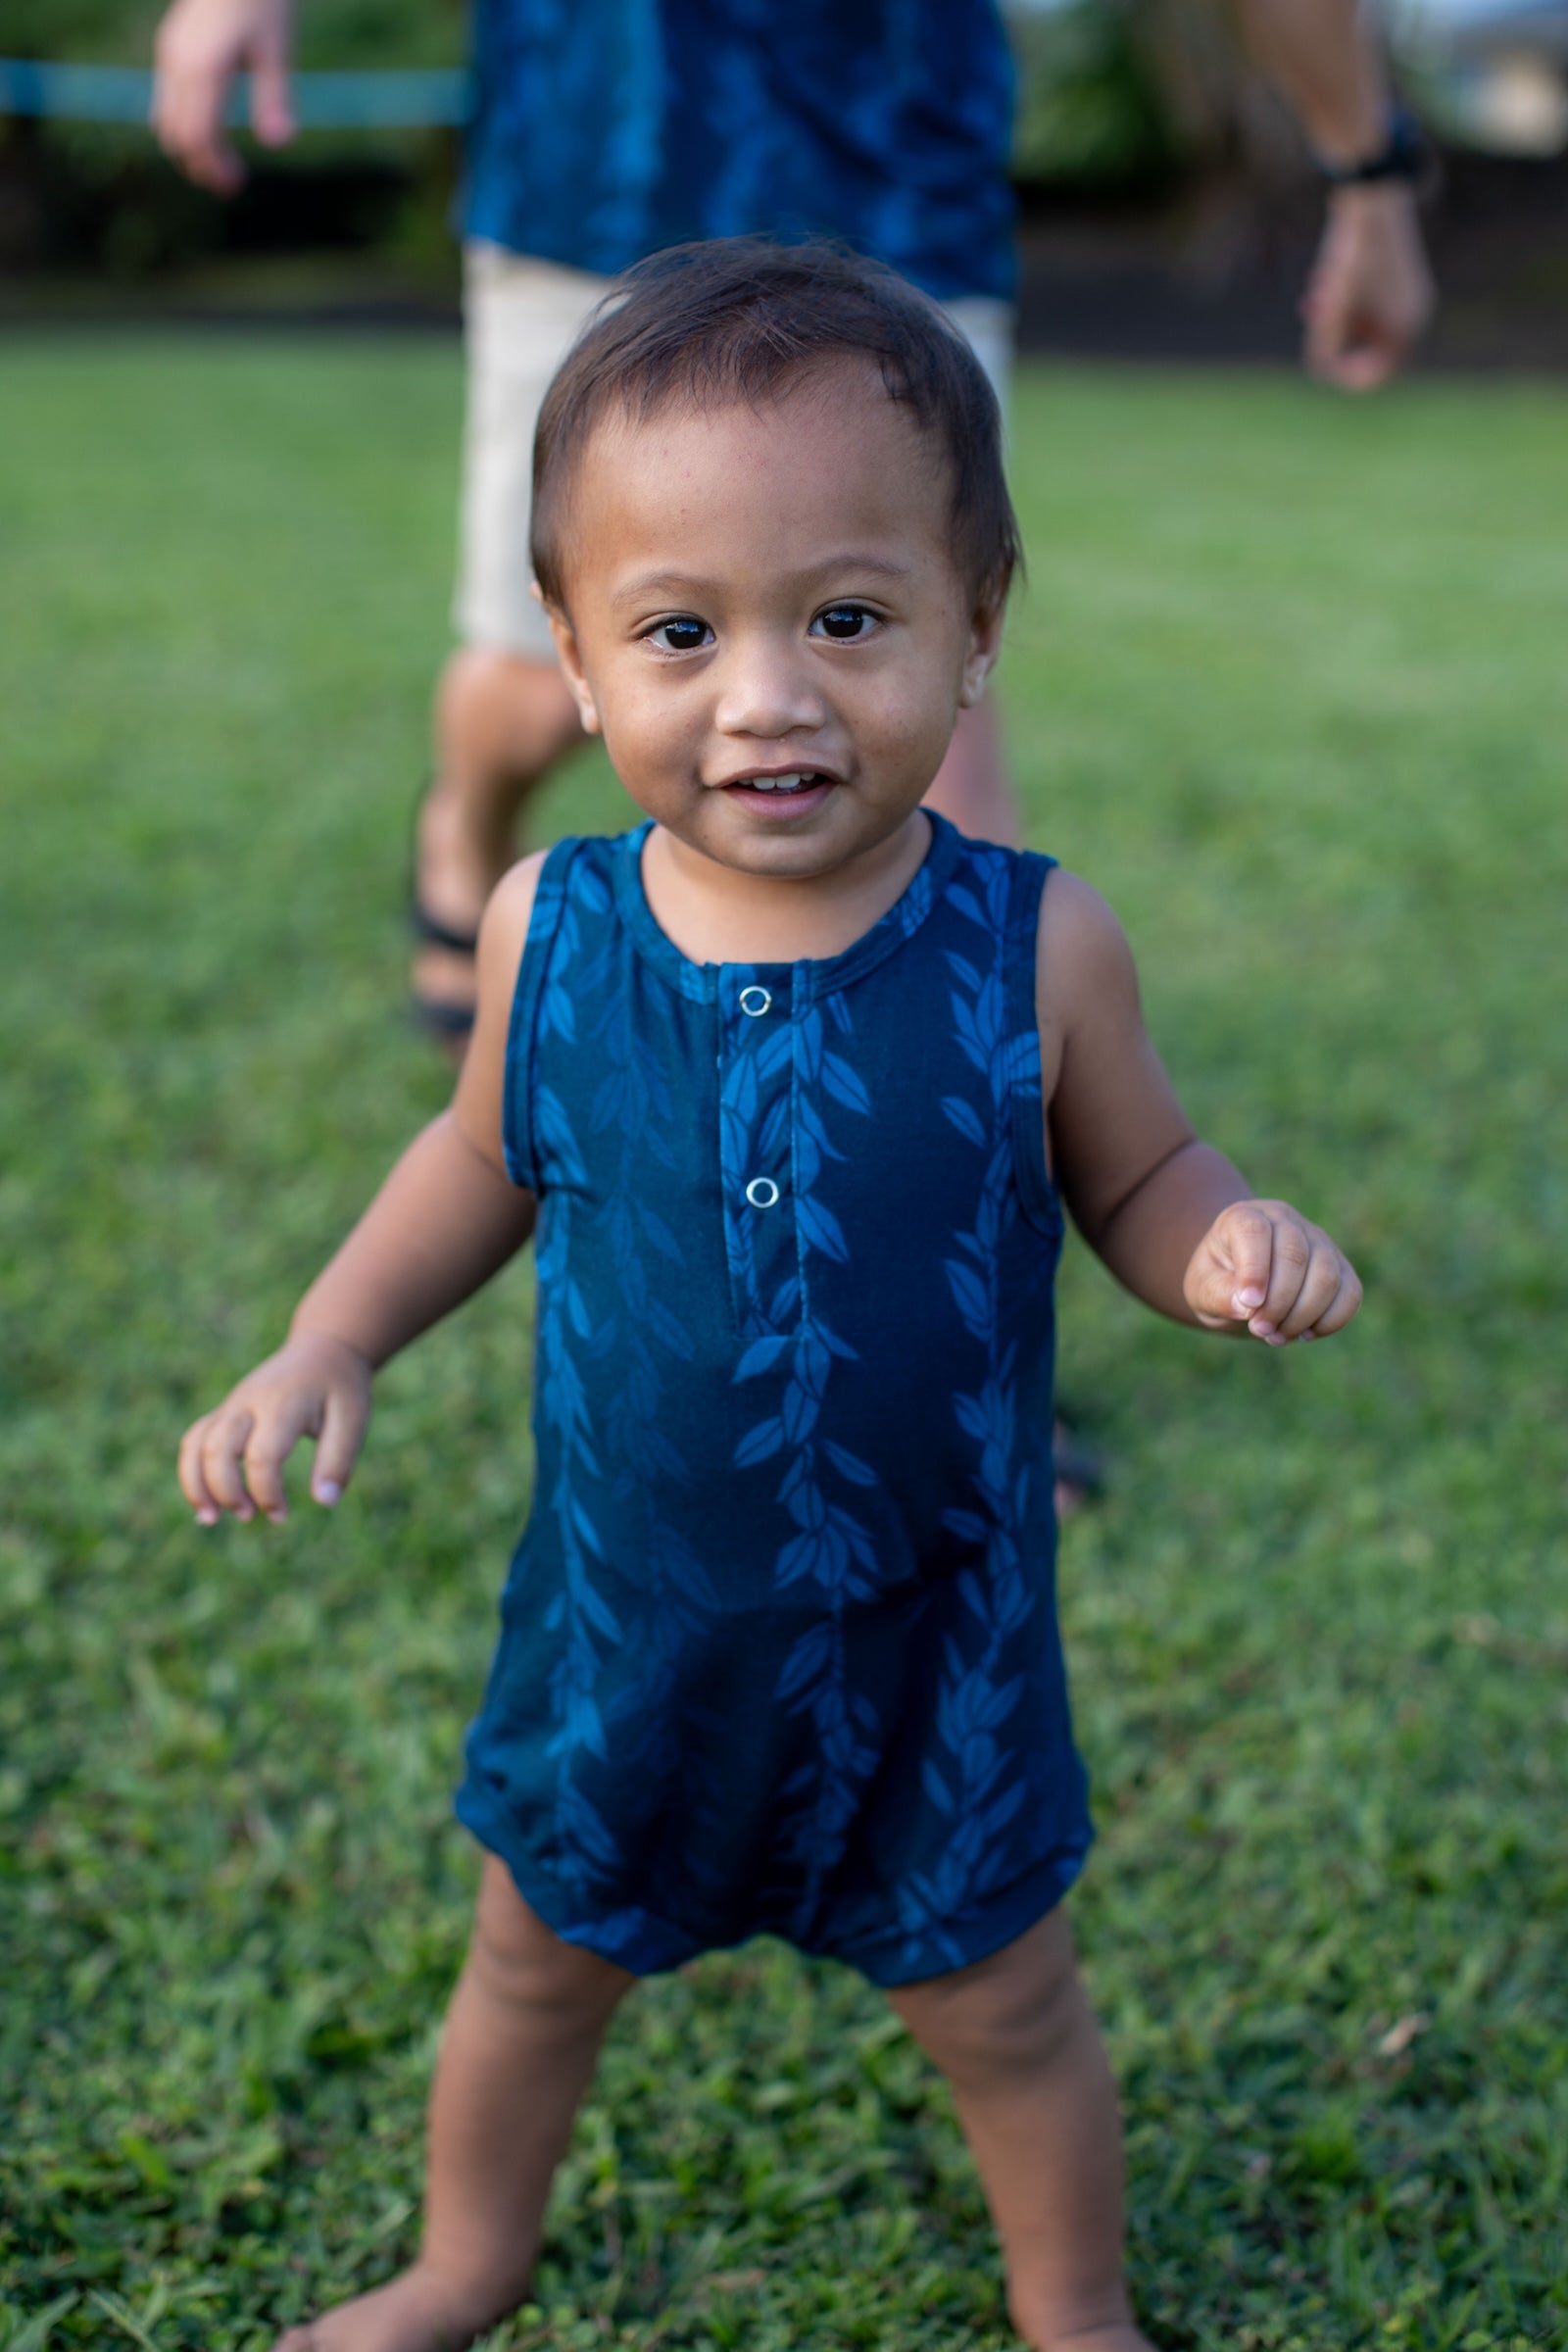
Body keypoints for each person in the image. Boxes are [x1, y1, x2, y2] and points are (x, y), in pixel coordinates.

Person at [178, 239, 1363, 2352]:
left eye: (844, 616)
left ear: (973, 624)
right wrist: (331, 1332)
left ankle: (1073, 2307)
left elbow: (1140, 1177)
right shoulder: (554, 928)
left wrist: (1225, 1244)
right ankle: (464, 2262)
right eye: (676, 629)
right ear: (571, 653)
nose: (767, 696)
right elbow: (475, 1164)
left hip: (935, 1635)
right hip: (630, 1626)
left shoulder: (1034, 945)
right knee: (533, 1961)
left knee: (1007, 2010)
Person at [151, 0, 1436, 1039]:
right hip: (603, 156)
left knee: (932, 736)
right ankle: (463, 842)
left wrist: (1369, 173)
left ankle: (950, 1176)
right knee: (538, 689)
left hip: (898, 177)